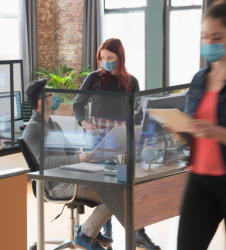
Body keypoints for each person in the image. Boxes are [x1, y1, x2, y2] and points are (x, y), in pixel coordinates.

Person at [72, 38, 159, 250]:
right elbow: (77, 105)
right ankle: (103, 229)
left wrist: (137, 130)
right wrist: (85, 123)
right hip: (97, 138)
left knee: (131, 183)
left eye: (110, 58)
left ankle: (139, 232)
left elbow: (137, 112)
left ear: (120, 57)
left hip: (122, 138)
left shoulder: (132, 81)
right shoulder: (93, 78)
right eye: (102, 58)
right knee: (106, 185)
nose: (105, 62)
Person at [23, 78, 112, 250]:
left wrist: (88, 155)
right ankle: (86, 234)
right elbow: (45, 162)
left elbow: (70, 151)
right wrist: (78, 159)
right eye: (52, 94)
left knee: (113, 188)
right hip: (55, 185)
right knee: (114, 197)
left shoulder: (53, 124)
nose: (56, 97)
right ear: (42, 101)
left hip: (69, 178)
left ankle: (90, 229)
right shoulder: (33, 128)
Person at [177, 2, 226, 249]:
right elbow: (190, 132)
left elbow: (211, 130)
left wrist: (215, 131)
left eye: (216, 37)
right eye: (204, 37)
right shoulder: (199, 79)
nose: (209, 43)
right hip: (199, 179)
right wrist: (179, 131)